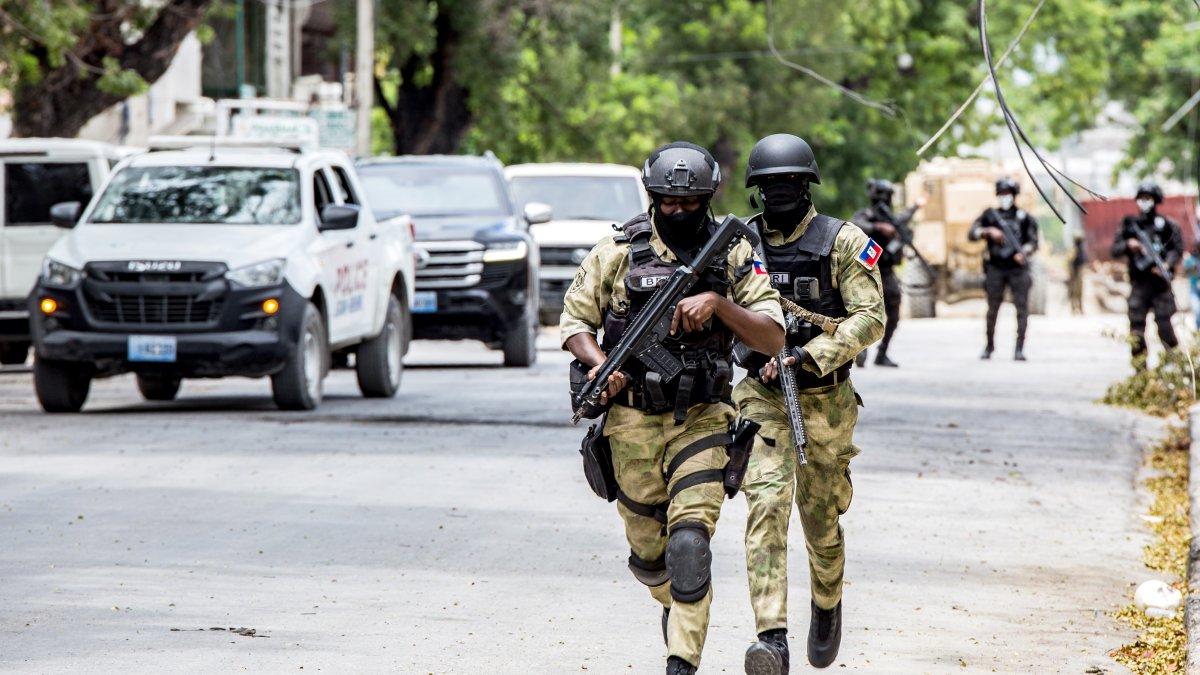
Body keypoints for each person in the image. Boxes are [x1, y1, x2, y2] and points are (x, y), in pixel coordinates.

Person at [560, 141, 786, 675]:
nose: (679, 212)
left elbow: (773, 336)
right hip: (630, 422)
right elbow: (573, 322)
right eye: (667, 203)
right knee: (650, 557)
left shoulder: (732, 255)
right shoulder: (617, 250)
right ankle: (676, 605)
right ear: (652, 197)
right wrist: (600, 364)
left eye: (690, 204)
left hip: (703, 418)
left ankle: (681, 662)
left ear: (708, 198)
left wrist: (719, 304)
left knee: (690, 544)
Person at [733, 134, 885, 673]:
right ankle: (771, 637)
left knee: (820, 519)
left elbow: (870, 318)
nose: (779, 194)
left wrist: (809, 355)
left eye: (789, 184)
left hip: (825, 400)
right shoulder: (740, 245)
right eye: (769, 186)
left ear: (807, 185)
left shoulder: (842, 242)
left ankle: (827, 600)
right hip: (761, 396)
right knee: (766, 509)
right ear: (756, 191)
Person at [851, 179, 925, 367]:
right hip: (866, 271)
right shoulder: (866, 215)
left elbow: (903, 219)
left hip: (886, 270)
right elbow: (855, 224)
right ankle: (862, 348)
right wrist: (878, 228)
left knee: (894, 313)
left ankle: (882, 353)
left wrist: (915, 207)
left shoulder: (892, 219)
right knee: (865, 313)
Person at [968, 177, 1039, 361]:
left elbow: (1033, 242)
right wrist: (987, 232)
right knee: (992, 309)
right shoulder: (990, 216)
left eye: (1007, 194)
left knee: (1022, 310)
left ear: (1014, 196)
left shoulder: (1024, 217)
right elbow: (972, 233)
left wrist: (1024, 253)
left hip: (1018, 269)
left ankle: (1019, 349)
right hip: (995, 268)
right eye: (1001, 194)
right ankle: (989, 346)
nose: (1004, 197)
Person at [1111, 181, 1183, 361]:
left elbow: (1177, 249)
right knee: (1136, 330)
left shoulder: (1167, 225)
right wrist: (1129, 244)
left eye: (1148, 198)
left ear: (1156, 200)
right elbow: (1115, 249)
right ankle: (1140, 371)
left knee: (1165, 327)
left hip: (1160, 285)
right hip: (1139, 284)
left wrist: (1167, 264)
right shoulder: (1129, 224)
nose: (1145, 202)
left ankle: (1173, 365)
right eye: (1142, 198)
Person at [1068, 231, 1087, 315]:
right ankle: (1074, 308)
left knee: (1079, 291)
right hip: (1075, 273)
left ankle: (1080, 308)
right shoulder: (1074, 249)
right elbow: (1070, 261)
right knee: (1074, 291)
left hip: (1079, 271)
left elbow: (1084, 261)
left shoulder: (1081, 249)